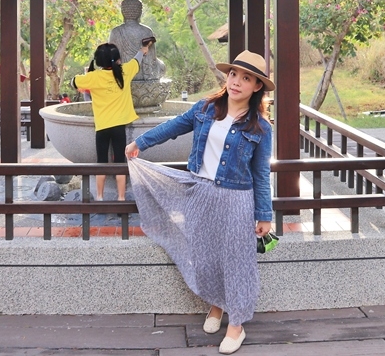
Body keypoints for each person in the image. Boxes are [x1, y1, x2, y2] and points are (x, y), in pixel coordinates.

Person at [124, 50, 274, 355]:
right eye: (233, 74)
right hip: (200, 193)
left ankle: (237, 325)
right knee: (205, 255)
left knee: (237, 261)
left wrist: (264, 214)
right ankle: (216, 306)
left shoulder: (260, 127)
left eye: (246, 78)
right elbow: (173, 126)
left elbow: (260, 174)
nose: (236, 82)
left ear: (257, 87)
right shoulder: (206, 108)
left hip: (236, 198)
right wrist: (141, 142)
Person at [71, 39, 153, 202]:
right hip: (119, 127)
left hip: (102, 127)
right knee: (120, 162)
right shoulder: (124, 72)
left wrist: (88, 73)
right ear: (117, 60)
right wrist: (144, 48)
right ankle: (121, 198)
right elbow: (137, 60)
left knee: (101, 162)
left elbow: (74, 82)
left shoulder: (93, 77)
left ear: (98, 61)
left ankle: (100, 198)